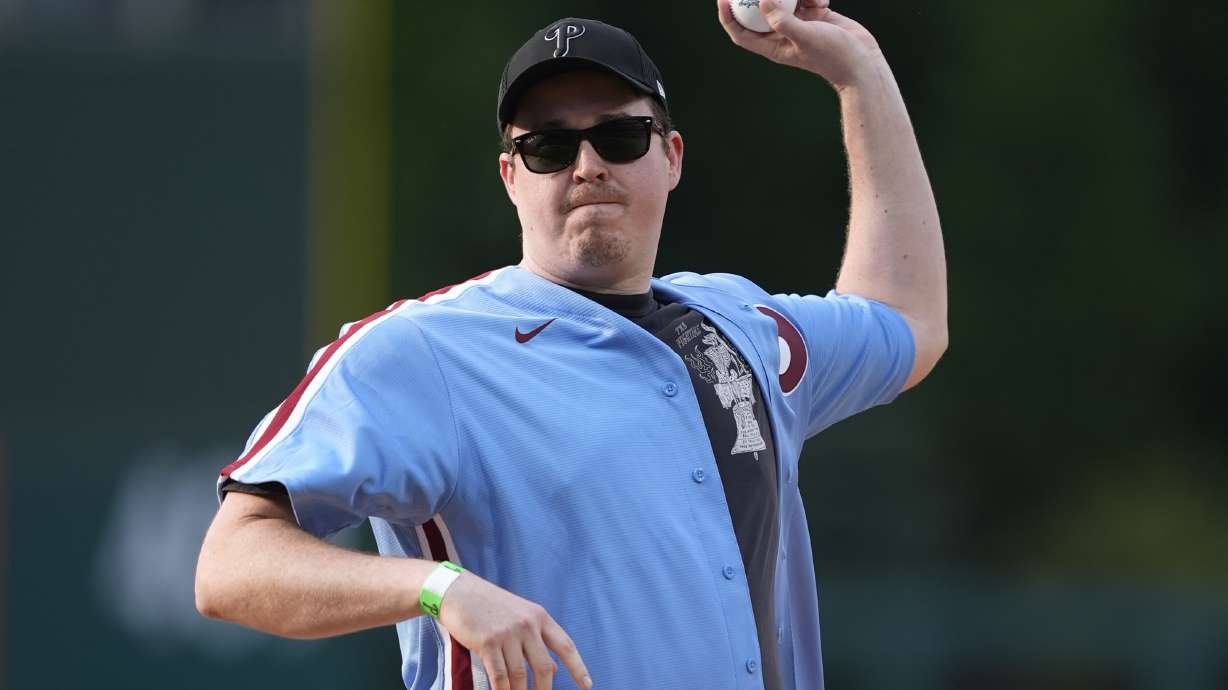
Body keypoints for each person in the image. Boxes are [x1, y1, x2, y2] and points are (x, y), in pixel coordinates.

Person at [194, 1, 947, 689]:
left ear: (672, 156)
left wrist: (858, 69)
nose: (588, 166)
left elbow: (905, 320)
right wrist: (437, 588)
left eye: (619, 136)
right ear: (511, 177)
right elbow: (230, 565)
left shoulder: (738, 326)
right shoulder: (427, 352)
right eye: (550, 146)